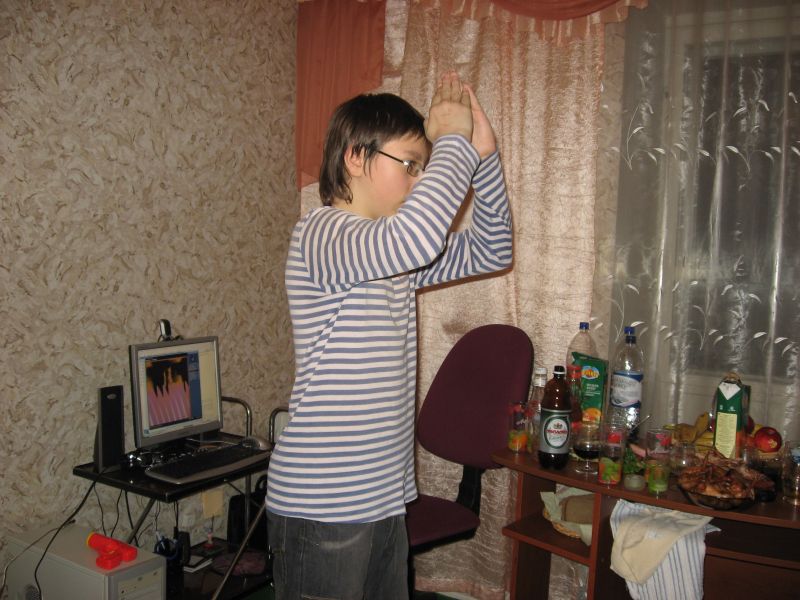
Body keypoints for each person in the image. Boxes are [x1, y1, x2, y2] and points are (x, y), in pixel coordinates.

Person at [266, 72, 512, 599]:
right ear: (357, 157)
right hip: (322, 505)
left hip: (381, 500)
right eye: (410, 165)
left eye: (424, 168)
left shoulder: (391, 258)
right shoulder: (322, 234)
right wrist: (452, 140)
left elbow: (492, 248)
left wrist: (484, 159)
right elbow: (416, 238)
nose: (419, 181)